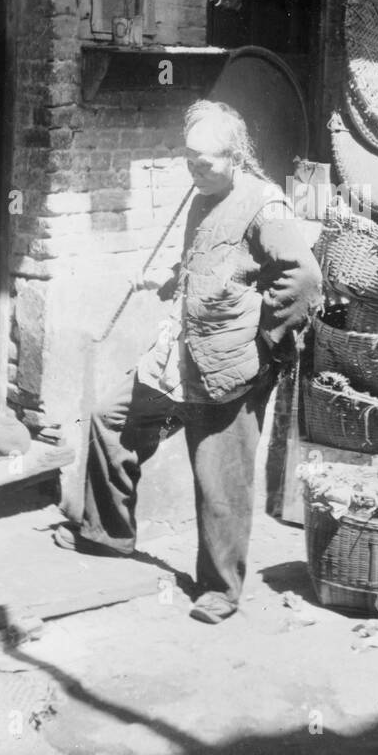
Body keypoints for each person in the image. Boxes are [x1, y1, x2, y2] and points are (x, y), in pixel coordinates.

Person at [54, 100, 323, 624]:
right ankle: (110, 533)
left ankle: (220, 590)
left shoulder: (265, 206)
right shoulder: (203, 197)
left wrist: (265, 340)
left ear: (237, 155)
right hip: (179, 354)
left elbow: (305, 278)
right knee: (112, 419)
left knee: (220, 477)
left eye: (207, 161)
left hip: (231, 363)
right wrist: (170, 280)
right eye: (189, 159)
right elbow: (212, 263)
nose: (196, 169)